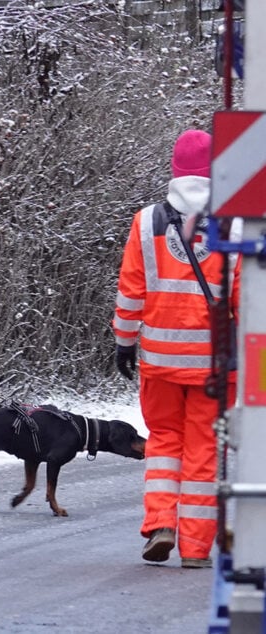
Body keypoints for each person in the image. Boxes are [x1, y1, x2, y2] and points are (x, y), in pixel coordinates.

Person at [112, 129, 240, 569]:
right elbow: (247, 300)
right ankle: (198, 550)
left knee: (164, 441)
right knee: (204, 450)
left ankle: (161, 524)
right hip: (213, 365)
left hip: (160, 359)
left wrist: (123, 342)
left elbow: (132, 289)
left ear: (175, 171)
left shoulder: (147, 221)